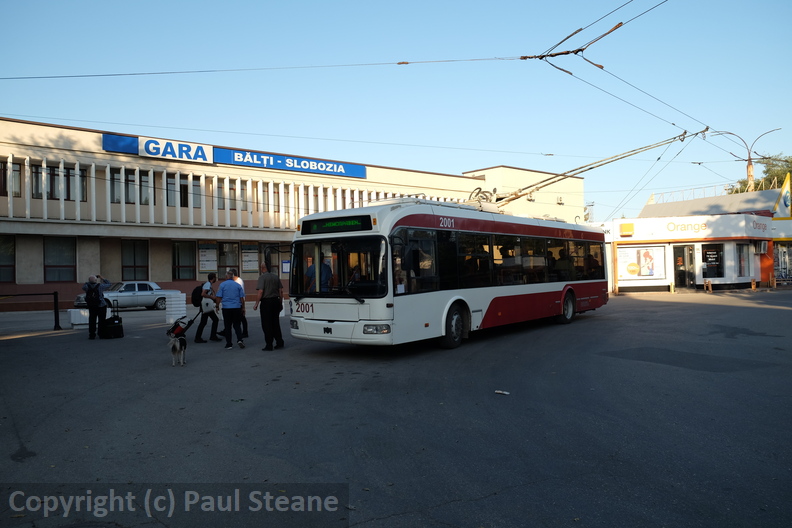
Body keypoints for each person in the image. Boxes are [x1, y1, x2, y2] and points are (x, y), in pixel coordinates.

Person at [253, 262, 285, 351]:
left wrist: (256, 303)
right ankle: (279, 342)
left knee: (266, 324)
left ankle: (269, 344)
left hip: (266, 303)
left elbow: (260, 291)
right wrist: (280, 302)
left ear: (263, 268)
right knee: (275, 323)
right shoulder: (276, 277)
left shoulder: (262, 278)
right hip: (275, 301)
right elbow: (281, 291)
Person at [216, 270, 246, 350]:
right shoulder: (237, 285)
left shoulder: (222, 285)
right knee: (237, 325)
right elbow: (242, 298)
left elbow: (219, 297)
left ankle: (229, 344)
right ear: (232, 277)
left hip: (226, 308)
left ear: (226, 277)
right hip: (237, 307)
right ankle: (240, 340)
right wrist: (243, 308)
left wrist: (217, 306)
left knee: (227, 326)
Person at [194, 272, 222, 343]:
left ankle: (198, 337)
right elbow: (203, 294)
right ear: (213, 278)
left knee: (204, 322)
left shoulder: (208, 284)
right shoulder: (208, 284)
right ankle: (212, 336)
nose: (216, 279)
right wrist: (212, 297)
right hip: (206, 305)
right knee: (215, 320)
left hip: (206, 305)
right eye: (215, 277)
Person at [82, 274, 111, 340]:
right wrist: (101, 278)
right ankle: (101, 334)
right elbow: (109, 284)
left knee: (92, 320)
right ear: (96, 280)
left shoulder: (86, 286)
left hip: (91, 306)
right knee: (102, 320)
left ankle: (92, 335)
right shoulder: (100, 286)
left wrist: (88, 281)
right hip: (101, 305)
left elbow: (83, 287)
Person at [232, 268, 249, 338]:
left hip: (239, 301)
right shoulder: (235, 281)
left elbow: (240, 293)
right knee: (236, 317)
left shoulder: (239, 281)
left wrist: (242, 304)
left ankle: (245, 332)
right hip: (236, 301)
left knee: (242, 317)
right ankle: (225, 331)